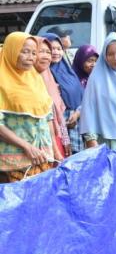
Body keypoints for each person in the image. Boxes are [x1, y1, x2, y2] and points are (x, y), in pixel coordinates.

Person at [0, 32, 57, 183]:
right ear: (12, 51)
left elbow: (46, 116)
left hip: (43, 156)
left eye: (33, 53)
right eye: (24, 51)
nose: (31, 57)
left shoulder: (35, 78)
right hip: (16, 161)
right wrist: (27, 147)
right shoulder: (2, 80)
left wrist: (55, 150)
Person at [43, 33, 85, 153]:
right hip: (58, 125)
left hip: (77, 122)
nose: (56, 52)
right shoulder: (43, 74)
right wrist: (63, 123)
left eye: (59, 49)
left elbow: (82, 95)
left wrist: (77, 113)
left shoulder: (69, 71)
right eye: (51, 49)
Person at [34, 37, 71, 158]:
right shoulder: (30, 79)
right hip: (37, 142)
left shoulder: (48, 76)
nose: (46, 56)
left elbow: (55, 110)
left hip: (55, 135)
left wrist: (63, 142)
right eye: (41, 51)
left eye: (48, 52)